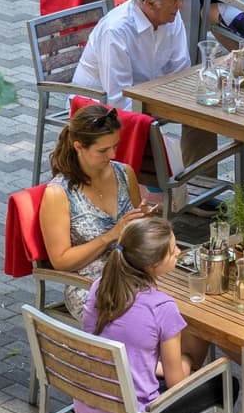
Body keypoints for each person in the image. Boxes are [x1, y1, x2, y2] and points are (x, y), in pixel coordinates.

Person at [75, 218, 223, 413]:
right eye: (172, 249)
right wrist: (187, 360)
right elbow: (178, 384)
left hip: (88, 409)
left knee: (164, 389)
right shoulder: (161, 307)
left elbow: (127, 354)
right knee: (221, 386)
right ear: (153, 265)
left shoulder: (101, 287)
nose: (179, 251)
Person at [39, 104, 161, 318]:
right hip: (90, 287)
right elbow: (61, 261)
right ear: (79, 147)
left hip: (135, 275)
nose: (112, 154)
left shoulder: (124, 174)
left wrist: (143, 223)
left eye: (115, 146)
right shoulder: (58, 194)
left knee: (183, 311)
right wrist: (110, 235)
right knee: (150, 320)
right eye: (103, 150)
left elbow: (135, 237)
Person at [70, 0, 190, 103]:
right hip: (96, 107)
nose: (180, 5)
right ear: (150, 3)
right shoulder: (116, 30)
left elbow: (181, 72)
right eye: (173, 0)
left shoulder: (171, 16)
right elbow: (118, 99)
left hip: (144, 100)